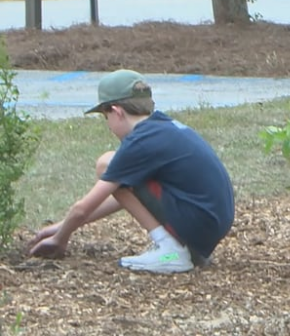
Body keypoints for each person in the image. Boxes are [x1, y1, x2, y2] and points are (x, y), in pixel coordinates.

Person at [26, 70, 235, 274]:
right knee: (115, 171)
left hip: (199, 222)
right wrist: (63, 226)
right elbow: (126, 196)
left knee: (106, 163)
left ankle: (170, 252)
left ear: (117, 112)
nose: (108, 126)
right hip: (207, 225)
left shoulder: (140, 142)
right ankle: (178, 251)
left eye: (105, 117)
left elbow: (82, 208)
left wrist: (60, 238)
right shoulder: (160, 126)